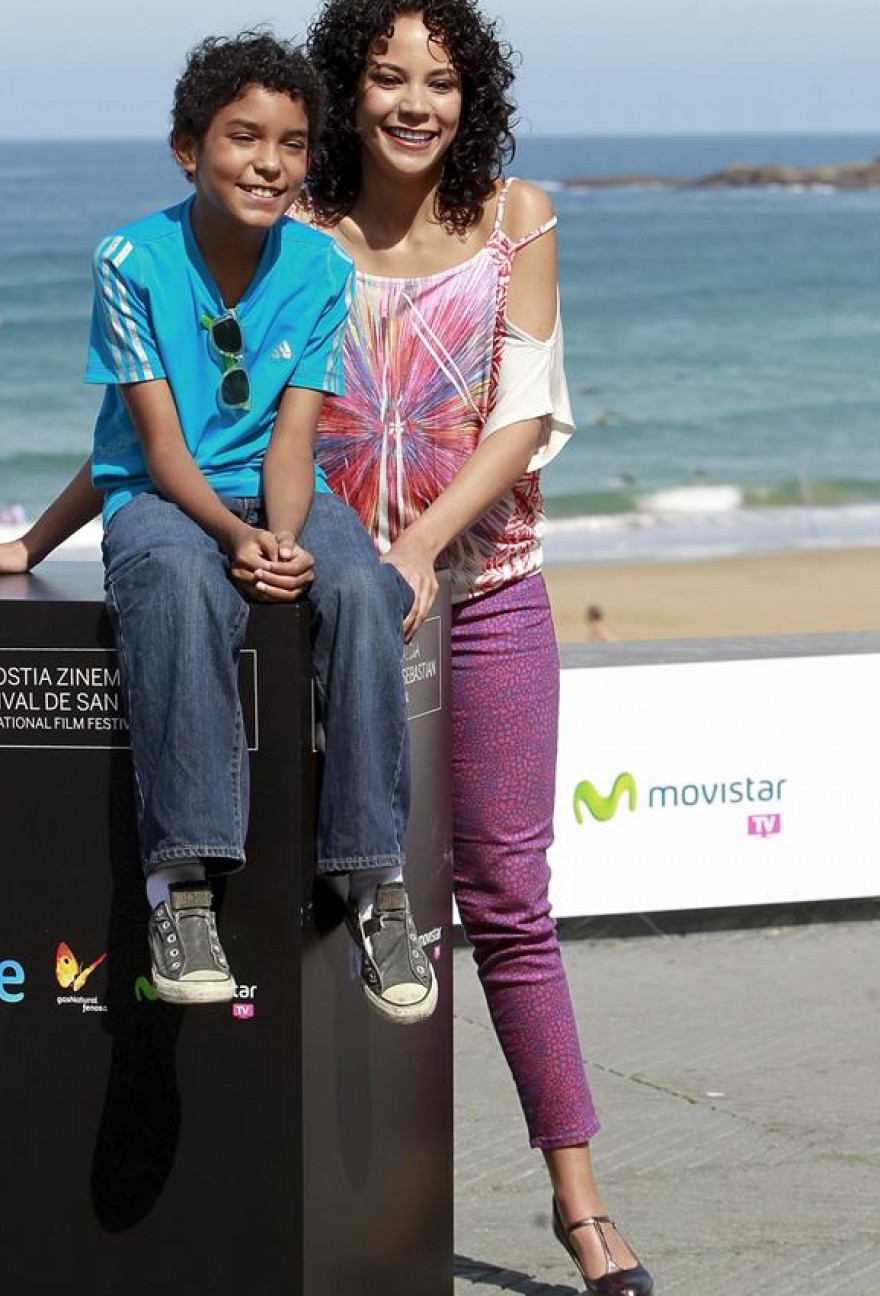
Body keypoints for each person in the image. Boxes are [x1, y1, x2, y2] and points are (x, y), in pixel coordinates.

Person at [0, 33, 437, 1025]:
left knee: (365, 591)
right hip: (167, 500)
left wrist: (282, 538)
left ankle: (376, 886)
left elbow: (292, 446)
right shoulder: (131, 261)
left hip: (280, 496)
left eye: (291, 144)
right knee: (183, 582)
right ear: (186, 148)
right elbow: (153, 450)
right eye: (243, 137)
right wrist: (42, 548)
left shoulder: (322, 272)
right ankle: (183, 887)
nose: (269, 162)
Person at [303, 3, 652, 1292]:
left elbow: (523, 413)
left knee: (507, 906)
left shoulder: (519, 217)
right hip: (329, 613)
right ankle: (334, 1206)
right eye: (387, 75)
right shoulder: (296, 236)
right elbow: (193, 399)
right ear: (345, 90)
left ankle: (580, 1206)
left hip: (489, 593)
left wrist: (416, 550)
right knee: (338, 902)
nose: (413, 102)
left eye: (440, 80)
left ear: (472, 95)